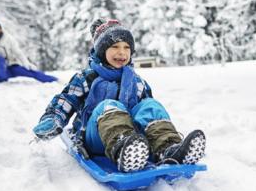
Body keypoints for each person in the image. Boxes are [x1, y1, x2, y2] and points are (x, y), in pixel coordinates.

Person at [33, 19, 206, 172]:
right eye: (114, 47)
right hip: (95, 138)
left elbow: (144, 112)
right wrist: (53, 119)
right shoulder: (86, 78)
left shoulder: (136, 81)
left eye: (126, 47)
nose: (121, 52)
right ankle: (123, 150)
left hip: (135, 140)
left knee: (150, 106)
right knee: (108, 105)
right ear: (101, 51)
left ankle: (169, 148)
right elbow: (65, 100)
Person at [0, 18, 57, 83]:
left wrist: (26, 63)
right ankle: (3, 78)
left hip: (13, 66)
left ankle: (52, 79)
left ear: (0, 28)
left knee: (31, 71)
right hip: (0, 69)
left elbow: (18, 52)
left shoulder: (8, 38)